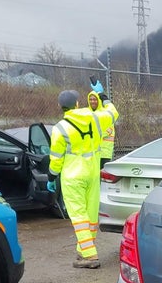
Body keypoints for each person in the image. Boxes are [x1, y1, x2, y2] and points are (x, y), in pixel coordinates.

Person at [47, 81, 119, 269]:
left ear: (61, 107)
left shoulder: (59, 129)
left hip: (72, 177)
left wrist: (51, 178)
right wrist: (104, 97)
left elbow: (56, 158)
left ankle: (89, 255)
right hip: (92, 174)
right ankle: (83, 250)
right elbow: (113, 113)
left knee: (78, 216)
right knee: (90, 214)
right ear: (78, 103)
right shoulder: (95, 118)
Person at [88, 86, 116, 167]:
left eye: (95, 99)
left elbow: (108, 130)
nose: (92, 101)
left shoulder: (105, 113)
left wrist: (92, 134)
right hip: (91, 152)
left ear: (99, 100)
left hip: (104, 152)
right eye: (91, 99)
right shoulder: (88, 113)